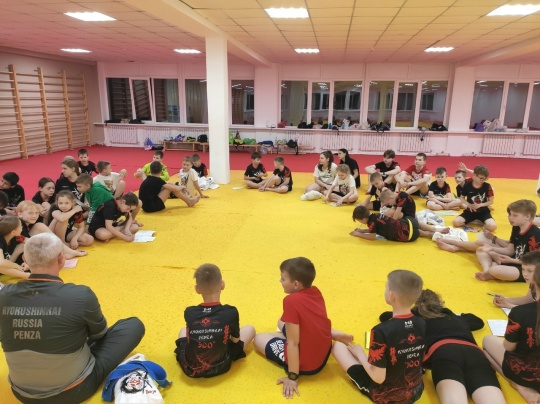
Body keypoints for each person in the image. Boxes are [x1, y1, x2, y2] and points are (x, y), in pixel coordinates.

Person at [0, 233, 145, 404]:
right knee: (133, 326)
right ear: (61, 258)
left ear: (25, 259)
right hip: (74, 391)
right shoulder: (80, 295)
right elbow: (99, 335)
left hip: (21, 393)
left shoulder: (4, 295)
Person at [254, 257, 353, 398]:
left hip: (307, 365)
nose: (280, 281)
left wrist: (292, 377)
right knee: (281, 321)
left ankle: (289, 344)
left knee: (259, 338)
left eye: (283, 278)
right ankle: (333, 333)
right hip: (324, 350)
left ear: (295, 284)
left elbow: (293, 344)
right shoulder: (316, 291)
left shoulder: (290, 301)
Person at [388, 289, 505, 404]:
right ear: (439, 302)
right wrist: (457, 315)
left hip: (444, 352)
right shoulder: (455, 318)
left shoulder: (414, 319)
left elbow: (386, 317)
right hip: (474, 353)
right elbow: (478, 322)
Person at [332, 270, 425, 404]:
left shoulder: (380, 331)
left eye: (386, 287)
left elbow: (378, 378)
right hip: (416, 391)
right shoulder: (422, 323)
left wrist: (360, 354)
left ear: (391, 295)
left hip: (387, 397)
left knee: (338, 347)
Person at [174, 263, 255, 378]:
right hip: (220, 365)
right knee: (250, 329)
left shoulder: (189, 312)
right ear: (222, 285)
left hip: (190, 368)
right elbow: (235, 340)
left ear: (197, 289)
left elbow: (189, 338)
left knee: (183, 330)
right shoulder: (230, 312)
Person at [483, 262, 540, 404]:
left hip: (526, 375)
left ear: (534, 282)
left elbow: (509, 347)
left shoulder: (520, 313)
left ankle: (520, 387)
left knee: (487, 341)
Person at [475, 199, 540, 281]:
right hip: (513, 260)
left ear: (527, 216)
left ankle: (492, 271)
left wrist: (511, 260)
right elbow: (510, 251)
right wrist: (492, 249)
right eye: (510, 214)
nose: (510, 218)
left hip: (527, 268)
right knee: (481, 250)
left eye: (515, 215)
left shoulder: (536, 234)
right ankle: (487, 271)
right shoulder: (516, 227)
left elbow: (534, 262)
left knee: (495, 269)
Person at [16, 200, 87, 259]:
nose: (34, 216)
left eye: (36, 213)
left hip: (27, 250)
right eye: (30, 213)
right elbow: (22, 241)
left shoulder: (29, 222)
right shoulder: (18, 224)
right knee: (40, 227)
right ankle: (67, 251)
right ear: (20, 214)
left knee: (40, 227)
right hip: (20, 254)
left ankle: (66, 251)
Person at [350, 205, 449, 242]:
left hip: (408, 235)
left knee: (417, 232)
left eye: (360, 221)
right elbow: (374, 229)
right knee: (415, 224)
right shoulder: (376, 215)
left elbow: (372, 236)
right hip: (409, 222)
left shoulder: (371, 223)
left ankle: (430, 234)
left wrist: (358, 234)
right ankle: (434, 229)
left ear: (363, 219)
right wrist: (362, 230)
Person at [453, 165, 496, 232]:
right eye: (481, 178)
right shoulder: (467, 185)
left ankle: (477, 221)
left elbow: (491, 201)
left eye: (485, 179)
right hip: (470, 211)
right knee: (456, 222)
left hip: (483, 212)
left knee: (493, 227)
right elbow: (461, 198)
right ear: (475, 176)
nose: (483, 180)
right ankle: (478, 221)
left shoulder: (487, 186)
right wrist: (468, 204)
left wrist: (480, 205)